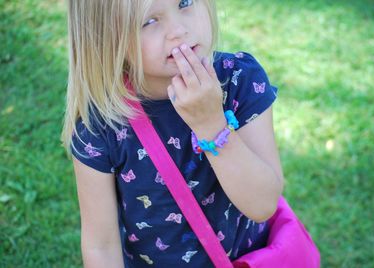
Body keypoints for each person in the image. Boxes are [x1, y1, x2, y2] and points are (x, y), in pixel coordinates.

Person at [61, 0, 284, 267]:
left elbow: (263, 205)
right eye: (149, 21)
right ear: (106, 37)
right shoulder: (101, 126)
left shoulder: (240, 80)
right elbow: (101, 246)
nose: (178, 29)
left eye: (185, 2)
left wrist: (211, 124)